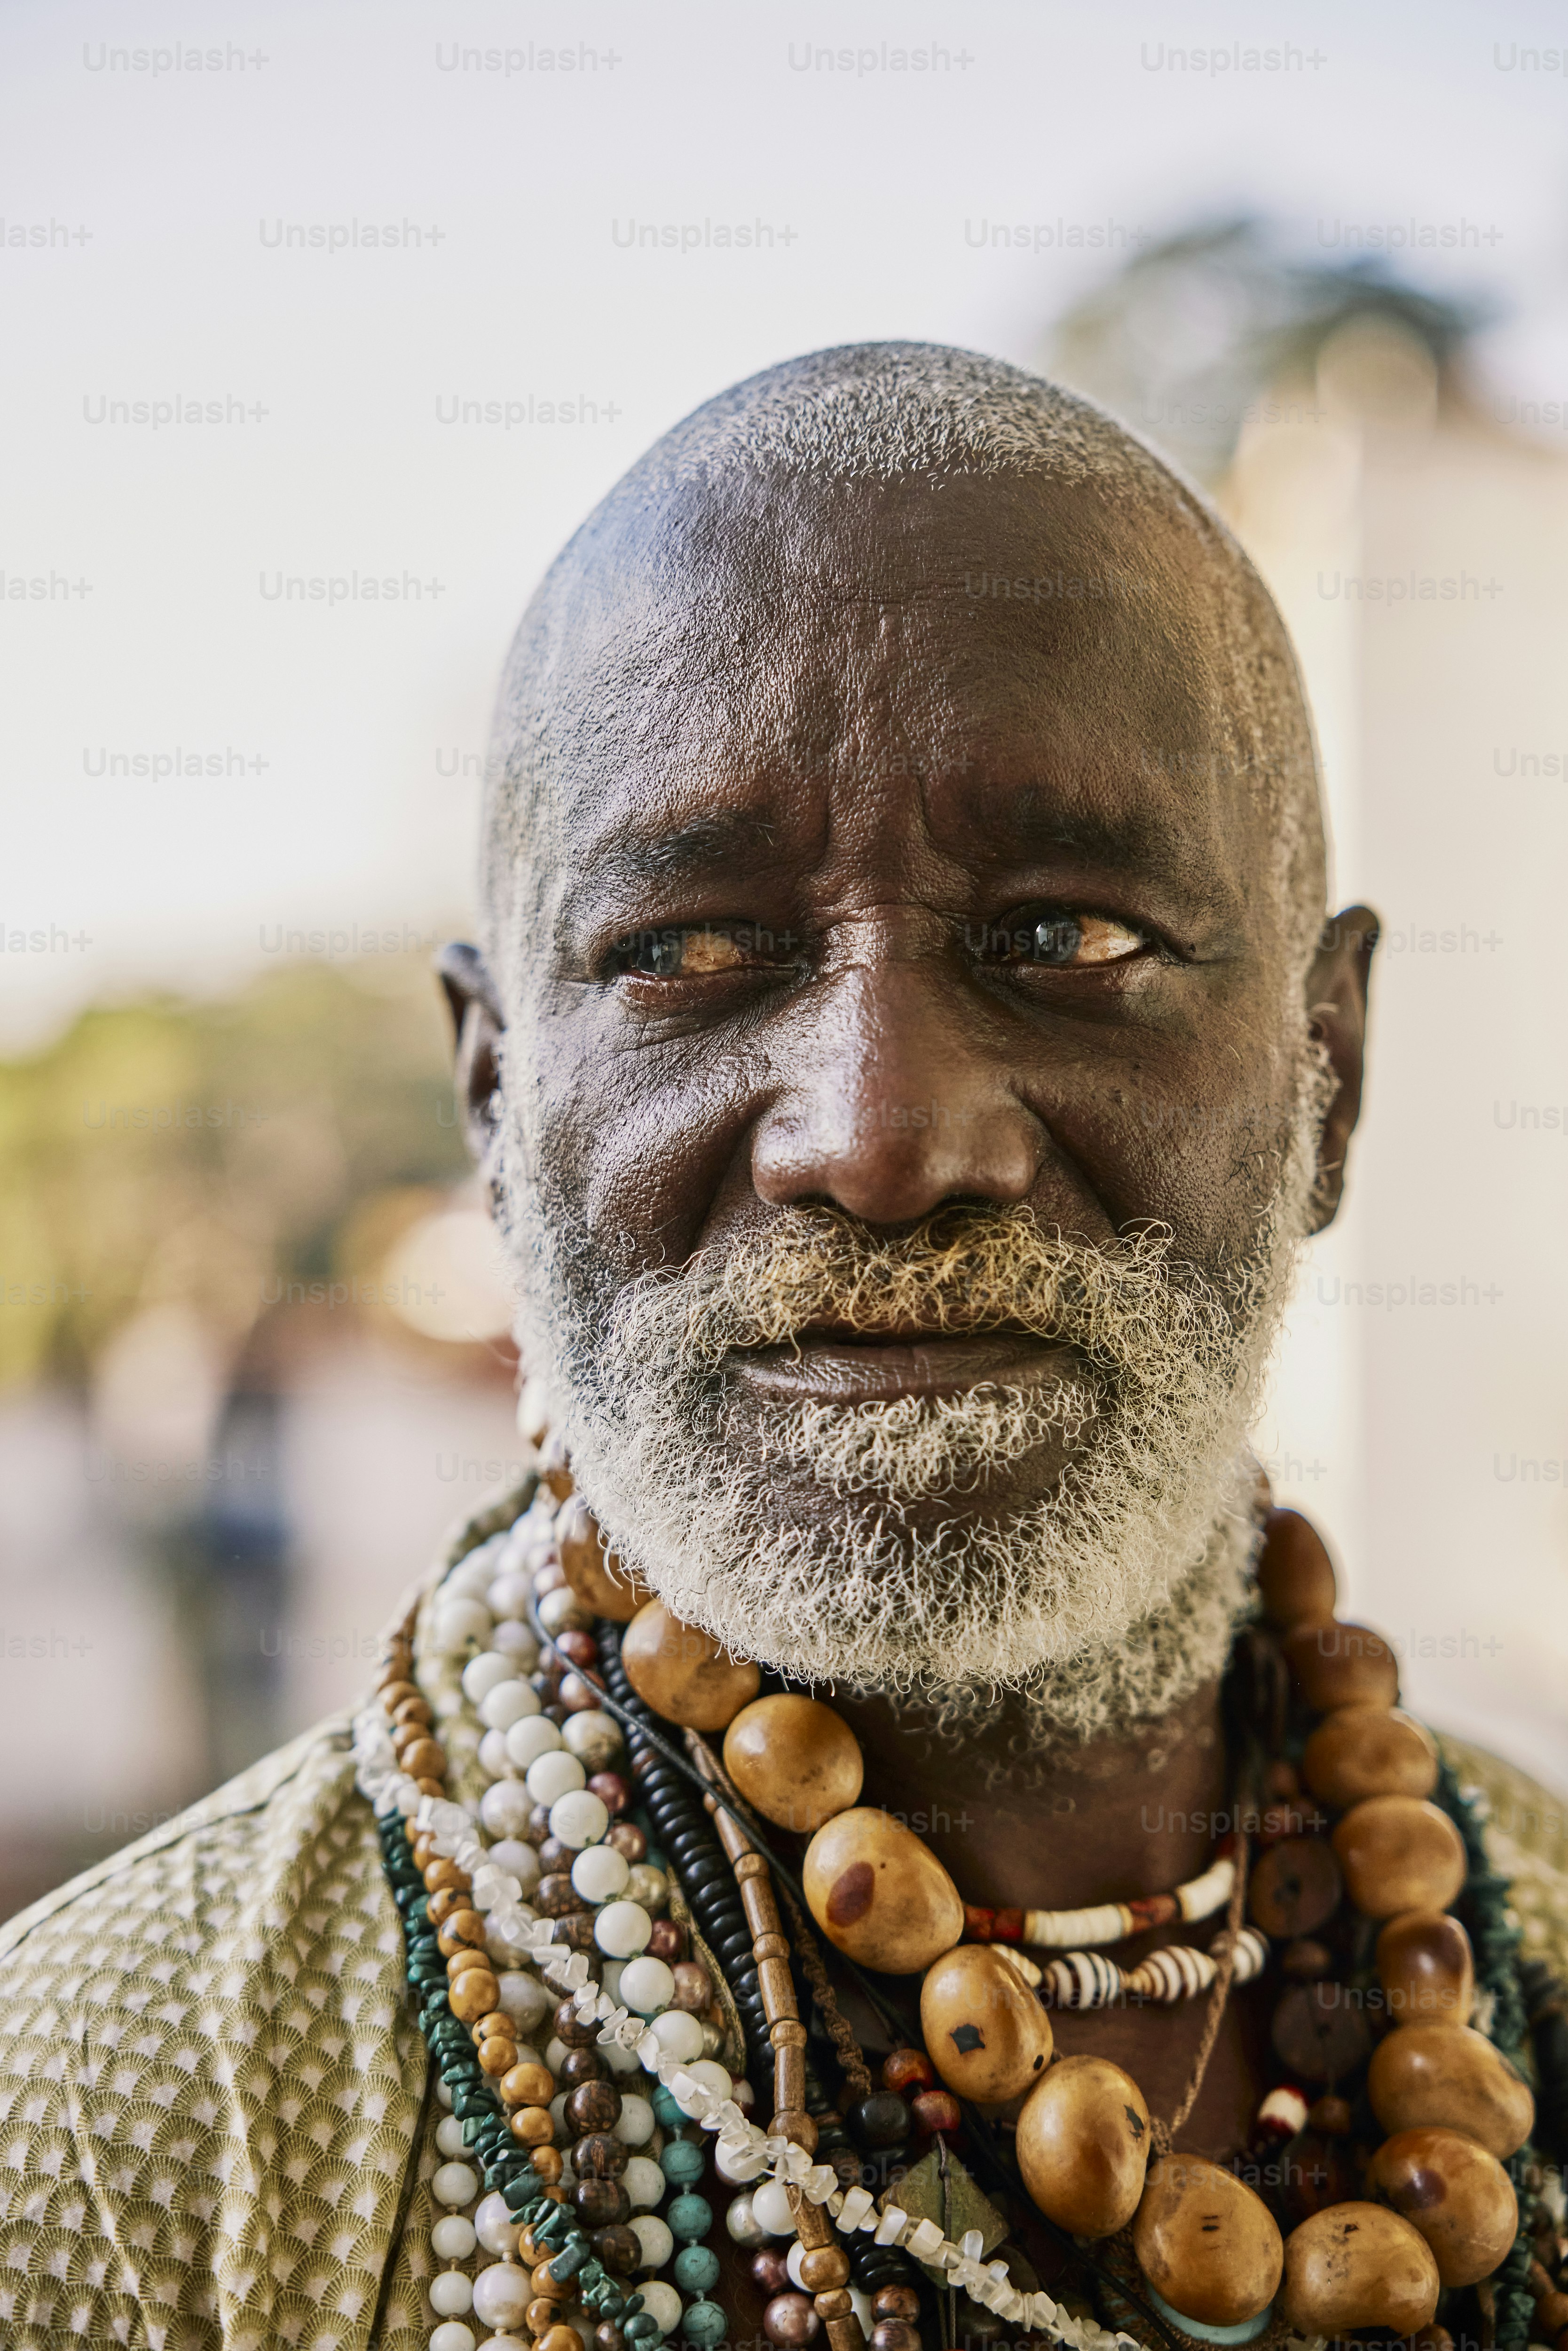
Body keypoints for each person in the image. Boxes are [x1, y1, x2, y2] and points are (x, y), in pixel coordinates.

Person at [1, 345, 1562, 2351]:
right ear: (492, 1099)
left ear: (1329, 1077)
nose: (884, 1134)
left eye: (1068, 936)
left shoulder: (1531, 1928)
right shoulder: (107, 2157)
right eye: (688, 950)